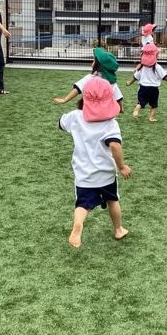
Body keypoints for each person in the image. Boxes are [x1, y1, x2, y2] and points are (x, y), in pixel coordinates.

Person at [59, 76, 132, 248]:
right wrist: (122, 166)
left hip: (84, 175)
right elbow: (115, 145)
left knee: (83, 204)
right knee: (113, 200)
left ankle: (78, 225)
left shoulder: (75, 117)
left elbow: (61, 124)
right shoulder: (111, 124)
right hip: (106, 174)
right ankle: (118, 229)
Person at [53, 47, 124, 112]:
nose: (92, 61)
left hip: (89, 111)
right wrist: (121, 109)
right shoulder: (112, 83)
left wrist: (65, 99)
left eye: (94, 60)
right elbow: (118, 98)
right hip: (105, 112)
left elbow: (77, 89)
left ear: (98, 65)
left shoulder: (90, 78)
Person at [125, 43, 167, 121]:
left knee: (140, 102)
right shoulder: (157, 67)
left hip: (143, 88)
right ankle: (151, 118)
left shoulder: (142, 67)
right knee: (154, 105)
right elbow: (165, 77)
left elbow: (135, 77)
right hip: (154, 89)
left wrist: (129, 82)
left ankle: (136, 111)